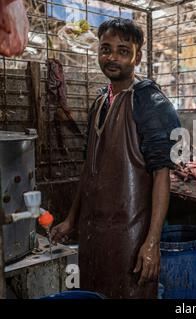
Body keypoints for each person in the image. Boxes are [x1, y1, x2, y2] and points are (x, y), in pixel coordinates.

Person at [51, 18, 180, 299]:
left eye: (123, 50)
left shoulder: (149, 101)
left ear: (137, 57)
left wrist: (152, 243)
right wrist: (72, 221)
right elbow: (90, 168)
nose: (112, 57)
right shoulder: (100, 102)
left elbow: (162, 173)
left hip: (131, 239)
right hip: (93, 236)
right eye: (105, 49)